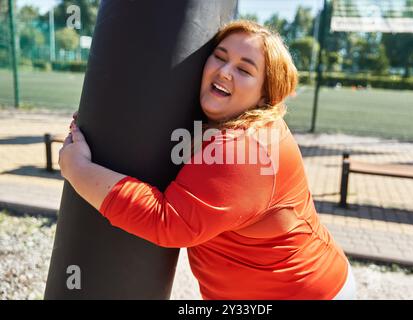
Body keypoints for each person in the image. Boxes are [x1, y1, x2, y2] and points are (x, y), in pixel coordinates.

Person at [59, 20, 356, 300]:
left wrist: (78, 169)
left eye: (244, 69)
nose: (225, 71)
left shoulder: (246, 149)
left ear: (265, 94)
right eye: (220, 56)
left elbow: (169, 222)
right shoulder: (221, 122)